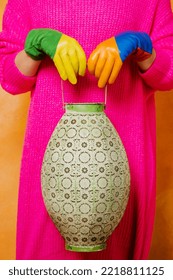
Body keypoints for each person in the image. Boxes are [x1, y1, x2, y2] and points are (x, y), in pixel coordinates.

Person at [0, 0, 173, 260]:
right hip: (52, 164)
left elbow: (167, 75)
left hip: (125, 160)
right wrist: (34, 47)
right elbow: (9, 77)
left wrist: (142, 49)